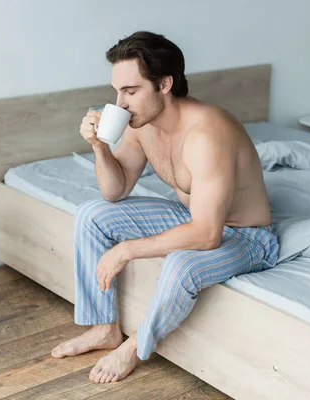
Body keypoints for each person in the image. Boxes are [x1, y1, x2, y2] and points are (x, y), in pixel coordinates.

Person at [51, 31, 279, 384]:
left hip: (247, 237)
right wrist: (98, 147)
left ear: (164, 84)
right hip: (192, 215)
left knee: (180, 263)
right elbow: (115, 190)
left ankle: (134, 347)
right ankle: (105, 328)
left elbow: (206, 235)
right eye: (117, 91)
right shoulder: (142, 125)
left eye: (130, 91)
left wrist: (127, 250)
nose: (120, 103)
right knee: (91, 215)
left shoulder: (206, 133)